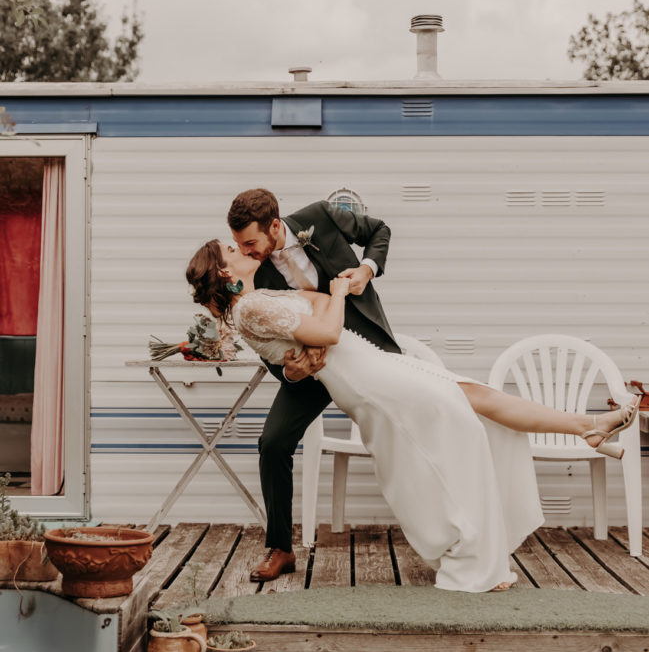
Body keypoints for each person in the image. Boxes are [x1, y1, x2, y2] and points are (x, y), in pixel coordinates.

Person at [185, 239, 640, 593]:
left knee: (476, 397)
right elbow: (328, 325)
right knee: (463, 419)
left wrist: (324, 317)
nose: (240, 248)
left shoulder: (262, 295)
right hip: (364, 377)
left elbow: (320, 311)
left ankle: (586, 427)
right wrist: (335, 298)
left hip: (371, 363)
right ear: (224, 271)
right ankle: (470, 552)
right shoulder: (250, 308)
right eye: (230, 250)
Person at [226, 188, 402, 583]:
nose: (247, 252)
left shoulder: (320, 216)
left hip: (363, 347)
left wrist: (366, 270)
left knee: (406, 427)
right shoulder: (257, 274)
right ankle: (281, 548)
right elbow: (268, 343)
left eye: (250, 243)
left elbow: (379, 230)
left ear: (275, 226)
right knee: (272, 443)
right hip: (311, 369)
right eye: (240, 245)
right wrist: (291, 373)